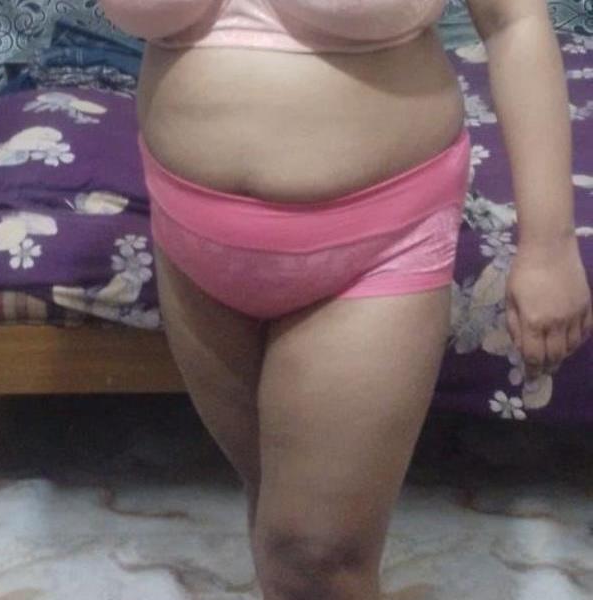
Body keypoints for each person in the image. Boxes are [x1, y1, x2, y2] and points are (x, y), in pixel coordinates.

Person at [100, 1, 592, 598]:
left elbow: (514, 22)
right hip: (189, 233)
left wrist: (548, 246)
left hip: (379, 238)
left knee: (316, 552)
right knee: (279, 526)